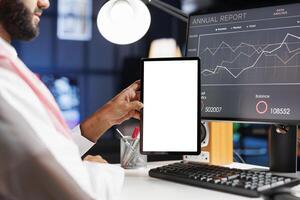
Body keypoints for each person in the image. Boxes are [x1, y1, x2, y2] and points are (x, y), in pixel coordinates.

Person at [0, 0, 143, 199]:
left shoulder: (8, 64)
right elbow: (80, 191)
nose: (45, 3)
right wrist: (95, 169)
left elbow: (47, 150)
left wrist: (105, 117)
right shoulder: (4, 78)